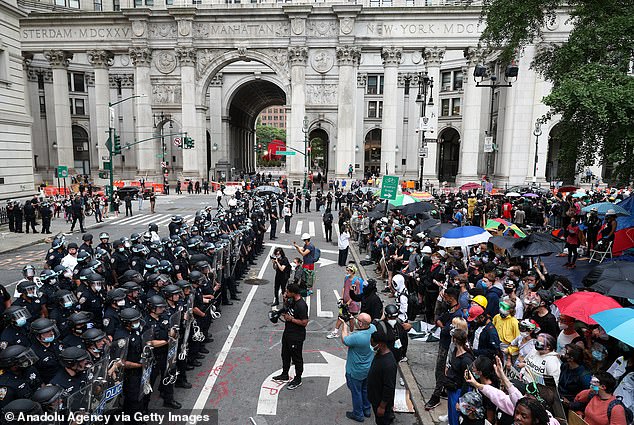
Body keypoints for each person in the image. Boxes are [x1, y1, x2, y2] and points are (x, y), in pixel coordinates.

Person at [272, 283, 309, 390]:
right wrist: (285, 300)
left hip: (296, 336)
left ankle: (298, 379)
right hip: (288, 333)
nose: (286, 293)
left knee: (297, 358)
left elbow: (304, 322)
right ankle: (285, 374)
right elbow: (286, 308)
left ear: (293, 293)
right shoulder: (292, 301)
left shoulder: (301, 305)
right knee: (285, 354)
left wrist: (291, 319)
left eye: (288, 292)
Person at [341, 313, 376, 422]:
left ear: (360, 323)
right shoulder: (373, 329)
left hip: (355, 370)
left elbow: (345, 340)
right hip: (368, 368)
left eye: (357, 319)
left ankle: (358, 414)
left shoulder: (358, 337)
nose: (356, 320)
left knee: (356, 392)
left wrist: (344, 327)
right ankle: (367, 409)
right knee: (365, 390)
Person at [367, 320, 397, 425]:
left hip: (381, 403)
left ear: (380, 344)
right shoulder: (380, 353)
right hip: (375, 398)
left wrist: (382, 406)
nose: (371, 343)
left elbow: (389, 387)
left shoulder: (388, 364)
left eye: (372, 342)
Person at [444, 328, 475, 425]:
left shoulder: (466, 359)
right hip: (452, 389)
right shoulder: (455, 351)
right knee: (451, 416)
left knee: (456, 418)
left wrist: (461, 401)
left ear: (455, 340)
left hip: (459, 391)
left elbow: (467, 382)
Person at [327, 264, 362, 339]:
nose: (347, 271)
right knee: (340, 316)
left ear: (352, 272)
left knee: (351, 318)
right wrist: (342, 298)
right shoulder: (346, 278)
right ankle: (336, 332)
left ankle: (351, 333)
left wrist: (349, 302)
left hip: (353, 304)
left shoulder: (356, 281)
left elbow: (355, 294)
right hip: (345, 302)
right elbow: (344, 288)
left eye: (348, 270)